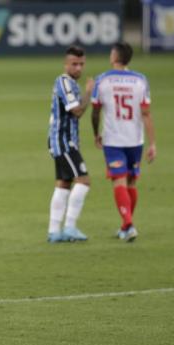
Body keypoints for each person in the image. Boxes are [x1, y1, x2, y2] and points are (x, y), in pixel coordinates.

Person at [91, 42, 157, 242]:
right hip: (135, 139)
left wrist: (96, 134)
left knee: (119, 181)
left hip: (113, 139)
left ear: (114, 56)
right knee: (131, 181)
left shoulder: (102, 80)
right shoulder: (140, 80)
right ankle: (126, 225)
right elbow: (146, 114)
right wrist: (152, 143)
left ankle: (128, 224)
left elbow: (95, 111)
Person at [47, 46, 95, 243]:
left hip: (63, 141)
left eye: (81, 64)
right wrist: (89, 93)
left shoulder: (70, 83)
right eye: (74, 64)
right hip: (64, 142)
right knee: (83, 181)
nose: (78, 68)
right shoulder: (64, 82)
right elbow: (76, 110)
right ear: (66, 64)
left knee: (64, 184)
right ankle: (70, 227)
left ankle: (53, 231)